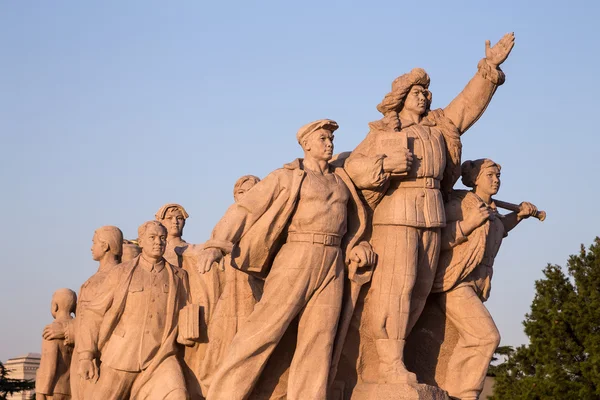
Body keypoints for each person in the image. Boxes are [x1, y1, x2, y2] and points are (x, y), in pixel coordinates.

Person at [344, 33, 515, 383]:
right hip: (397, 216)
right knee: (397, 287)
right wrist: (385, 165)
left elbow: (466, 106)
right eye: (416, 92)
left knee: (420, 289)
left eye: (425, 92)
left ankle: (396, 356)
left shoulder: (438, 127)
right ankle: (388, 364)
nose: (423, 96)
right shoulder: (385, 131)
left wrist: (489, 69)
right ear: (401, 98)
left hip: (432, 216)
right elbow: (354, 167)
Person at [197, 119, 375, 399]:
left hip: (333, 261)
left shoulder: (342, 180)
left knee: (319, 340)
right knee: (262, 330)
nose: (329, 143)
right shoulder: (287, 176)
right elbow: (246, 208)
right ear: (306, 144)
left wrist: (355, 245)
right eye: (323, 139)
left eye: (331, 139)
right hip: (297, 254)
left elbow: (351, 223)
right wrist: (217, 244)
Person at [430, 159, 538, 400]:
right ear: (475, 179)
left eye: (498, 176)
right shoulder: (462, 205)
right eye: (490, 175)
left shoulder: (491, 212)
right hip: (455, 282)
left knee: (471, 337)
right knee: (486, 336)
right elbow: (437, 239)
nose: (496, 180)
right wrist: (468, 224)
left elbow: (497, 228)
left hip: (478, 284)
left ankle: (453, 388)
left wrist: (518, 215)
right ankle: (463, 393)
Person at [77, 221, 195, 400]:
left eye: (162, 238)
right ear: (141, 241)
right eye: (152, 237)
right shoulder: (121, 273)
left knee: (178, 395)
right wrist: (86, 355)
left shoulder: (179, 277)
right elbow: (94, 313)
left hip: (161, 356)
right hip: (122, 356)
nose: (158, 242)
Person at [42, 226, 124, 400]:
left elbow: (102, 320)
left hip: (99, 357)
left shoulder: (116, 277)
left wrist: (67, 330)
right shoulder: (95, 279)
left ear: (106, 246)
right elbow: (84, 319)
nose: (91, 247)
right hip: (82, 355)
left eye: (94, 243)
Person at [36, 288, 77, 400]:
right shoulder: (79, 330)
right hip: (73, 389)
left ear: (55, 306)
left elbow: (49, 366)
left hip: (54, 390)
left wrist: (40, 392)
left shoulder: (52, 330)